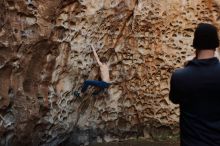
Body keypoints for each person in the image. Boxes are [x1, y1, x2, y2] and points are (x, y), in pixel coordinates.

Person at [169, 23, 220, 146]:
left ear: (195, 45)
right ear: (216, 45)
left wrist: (187, 67)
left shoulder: (180, 76)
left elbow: (174, 99)